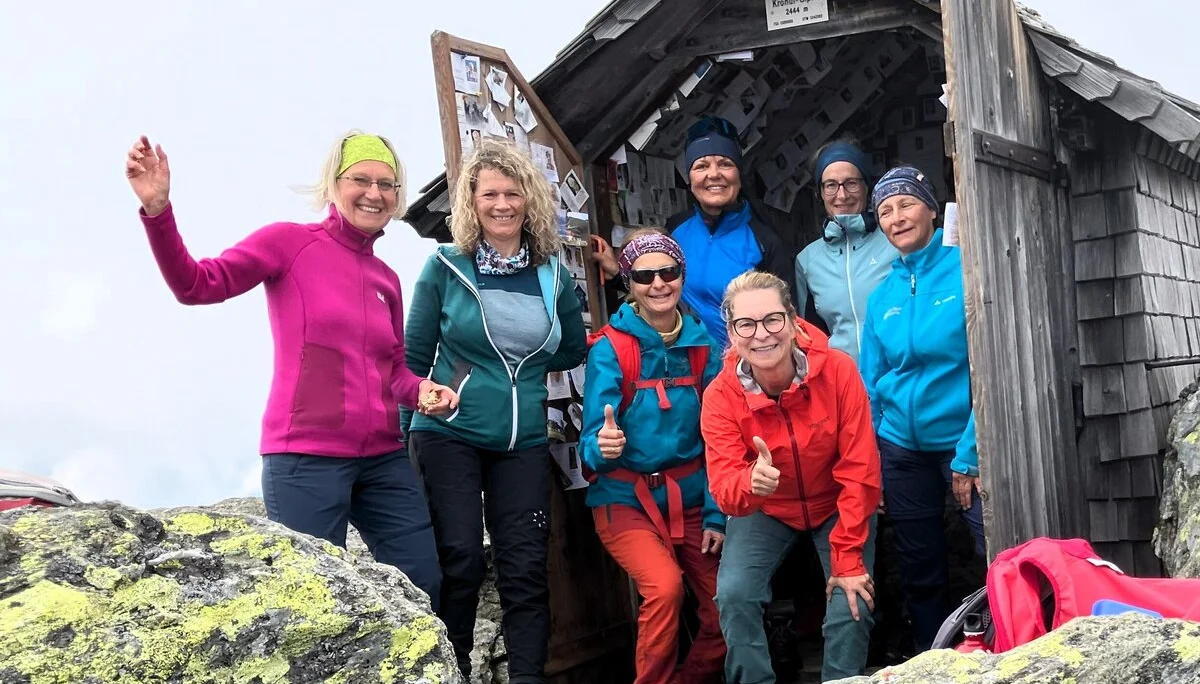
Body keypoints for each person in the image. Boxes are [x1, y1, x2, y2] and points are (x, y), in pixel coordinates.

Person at [124, 130, 457, 604]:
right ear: (333, 184)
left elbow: (393, 371)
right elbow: (196, 285)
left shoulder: (387, 279)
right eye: (360, 179)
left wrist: (424, 391)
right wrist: (158, 211)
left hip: (382, 459)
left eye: (387, 184)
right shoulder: (289, 244)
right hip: (307, 457)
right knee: (317, 601)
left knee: (423, 581)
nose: (374, 193)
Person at [404, 139, 588, 683]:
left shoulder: (552, 274)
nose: (502, 204)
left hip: (523, 442)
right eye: (490, 194)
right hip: (447, 434)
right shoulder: (444, 266)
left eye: (512, 193)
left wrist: (521, 372)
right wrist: (397, 445)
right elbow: (412, 360)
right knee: (458, 559)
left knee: (526, 572)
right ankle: (453, 672)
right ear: (471, 201)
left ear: (529, 200)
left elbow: (573, 347)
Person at [701, 271, 882, 683]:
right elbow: (725, 485)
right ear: (731, 332)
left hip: (838, 501)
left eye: (772, 319)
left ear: (794, 320)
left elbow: (860, 469)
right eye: (745, 324)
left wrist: (849, 557)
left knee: (851, 600)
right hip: (768, 506)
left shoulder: (838, 371)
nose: (761, 334)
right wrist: (751, 482)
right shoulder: (720, 396)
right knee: (734, 594)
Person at [579, 231, 726, 684]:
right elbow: (589, 442)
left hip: (695, 500)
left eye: (670, 272)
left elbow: (723, 439)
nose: (659, 283)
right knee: (664, 590)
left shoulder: (705, 347)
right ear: (629, 282)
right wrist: (602, 449)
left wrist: (718, 516)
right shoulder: (611, 348)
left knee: (728, 604)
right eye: (645, 275)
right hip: (625, 498)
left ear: (682, 275)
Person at [858, 165, 985, 653]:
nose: (896, 217)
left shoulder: (965, 271)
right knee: (919, 564)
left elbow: (987, 369)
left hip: (961, 440)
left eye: (907, 203)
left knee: (991, 549)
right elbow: (871, 385)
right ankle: (930, 656)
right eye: (885, 210)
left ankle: (1010, 645)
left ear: (932, 208)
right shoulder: (883, 295)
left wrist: (970, 451)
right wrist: (875, 460)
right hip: (901, 450)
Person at [592, 116, 794, 348]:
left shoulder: (766, 242)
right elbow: (658, 284)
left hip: (743, 371)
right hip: (682, 363)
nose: (714, 174)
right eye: (701, 166)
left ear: (739, 174)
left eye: (725, 164)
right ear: (690, 178)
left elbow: (787, 321)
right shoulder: (675, 229)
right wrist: (618, 273)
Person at [794, 139, 898, 364]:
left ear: (866, 186)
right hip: (842, 384)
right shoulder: (808, 261)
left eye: (851, 183)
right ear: (820, 193)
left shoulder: (895, 241)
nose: (841, 195)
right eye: (831, 185)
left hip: (898, 376)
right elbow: (810, 337)